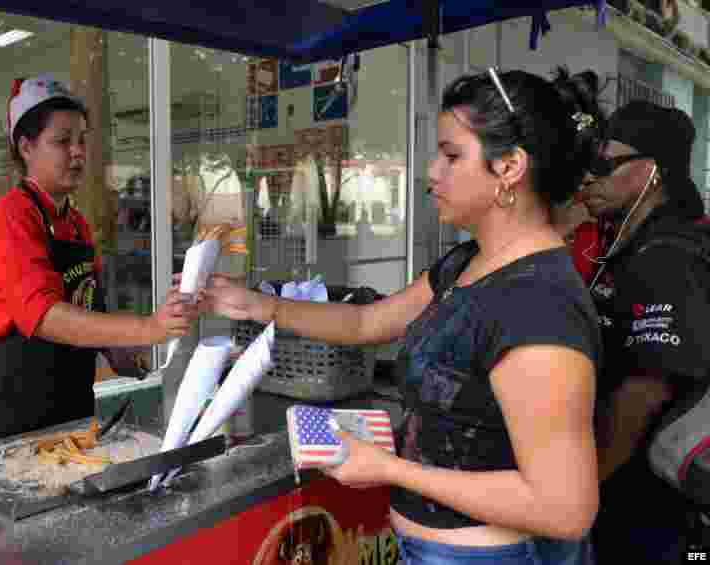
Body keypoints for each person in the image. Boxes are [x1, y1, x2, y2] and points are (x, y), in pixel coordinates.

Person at [198, 67, 606, 565]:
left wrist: (391, 469)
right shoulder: (467, 263)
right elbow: (368, 324)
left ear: (509, 168)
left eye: (452, 155)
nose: (432, 172)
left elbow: (564, 508)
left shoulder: (539, 305)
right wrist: (261, 306)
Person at [0, 74, 194, 442]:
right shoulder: (9, 219)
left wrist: (114, 350)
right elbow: (43, 315)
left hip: (70, 387)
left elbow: (86, 298)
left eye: (82, 140)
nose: (78, 152)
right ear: (26, 147)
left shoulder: (75, 222)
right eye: (62, 141)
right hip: (16, 396)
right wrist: (149, 327)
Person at [570, 100, 710, 564]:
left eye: (605, 164)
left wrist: (584, 488)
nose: (590, 177)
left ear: (651, 170)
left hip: (649, 501)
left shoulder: (665, 256)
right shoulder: (628, 244)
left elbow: (645, 391)